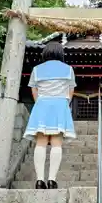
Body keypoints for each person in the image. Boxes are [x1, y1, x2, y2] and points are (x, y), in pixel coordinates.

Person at [23, 42, 77, 189]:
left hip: (42, 104)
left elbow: (34, 90)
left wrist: (40, 103)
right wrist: (63, 103)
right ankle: (52, 180)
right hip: (60, 105)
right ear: (60, 53)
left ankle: (40, 180)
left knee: (40, 143)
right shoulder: (68, 69)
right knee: (56, 144)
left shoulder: (37, 70)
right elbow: (70, 90)